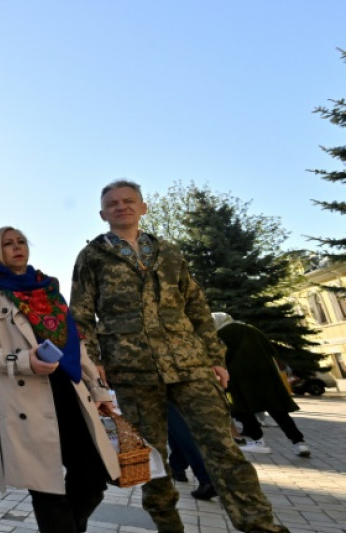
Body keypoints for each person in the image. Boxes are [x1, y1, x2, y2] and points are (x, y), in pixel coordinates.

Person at [70, 180, 290, 533]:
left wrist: (215, 357)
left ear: (143, 207)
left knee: (223, 448)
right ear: (102, 214)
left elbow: (197, 306)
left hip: (189, 363)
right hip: (131, 369)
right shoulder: (92, 258)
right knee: (150, 459)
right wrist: (93, 361)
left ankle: (259, 526)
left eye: (129, 201)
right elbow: (80, 315)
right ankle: (168, 527)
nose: (121, 207)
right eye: (113, 204)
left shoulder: (169, 252)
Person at [0, 227, 120, 533]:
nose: (17, 247)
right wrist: (24, 362)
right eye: (8, 244)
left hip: (69, 390)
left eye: (21, 241)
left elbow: (75, 343)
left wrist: (98, 389)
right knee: (46, 489)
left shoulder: (48, 289)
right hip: (26, 399)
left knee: (93, 479)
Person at [211, 312, 312, 457]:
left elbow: (221, 357)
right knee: (278, 410)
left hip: (240, 379)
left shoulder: (222, 334)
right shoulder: (253, 330)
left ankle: (258, 441)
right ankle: (299, 443)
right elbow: (272, 352)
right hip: (267, 377)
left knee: (243, 409)